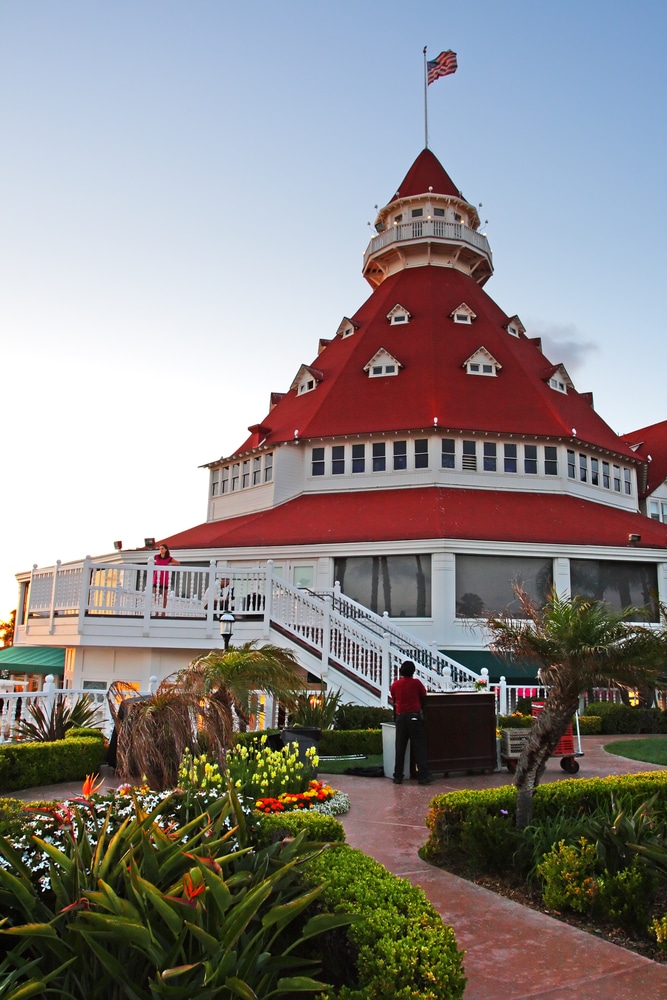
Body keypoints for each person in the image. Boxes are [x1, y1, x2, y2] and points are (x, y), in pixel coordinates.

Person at [389, 660, 433, 785]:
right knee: (419, 747)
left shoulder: (395, 684)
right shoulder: (416, 683)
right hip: (414, 717)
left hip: (401, 717)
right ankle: (423, 776)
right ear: (413, 671)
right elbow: (423, 695)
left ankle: (398, 776)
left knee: (400, 747)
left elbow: (394, 699)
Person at [152, 543, 179, 612]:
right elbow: (151, 562)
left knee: (164, 594)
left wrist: (170, 564)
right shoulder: (156, 557)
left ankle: (163, 610)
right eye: (160, 549)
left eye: (162, 548)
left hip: (164, 577)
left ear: (166, 550)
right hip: (157, 577)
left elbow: (178, 563)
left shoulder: (169, 558)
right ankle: (156, 610)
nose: (160, 550)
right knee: (156, 594)